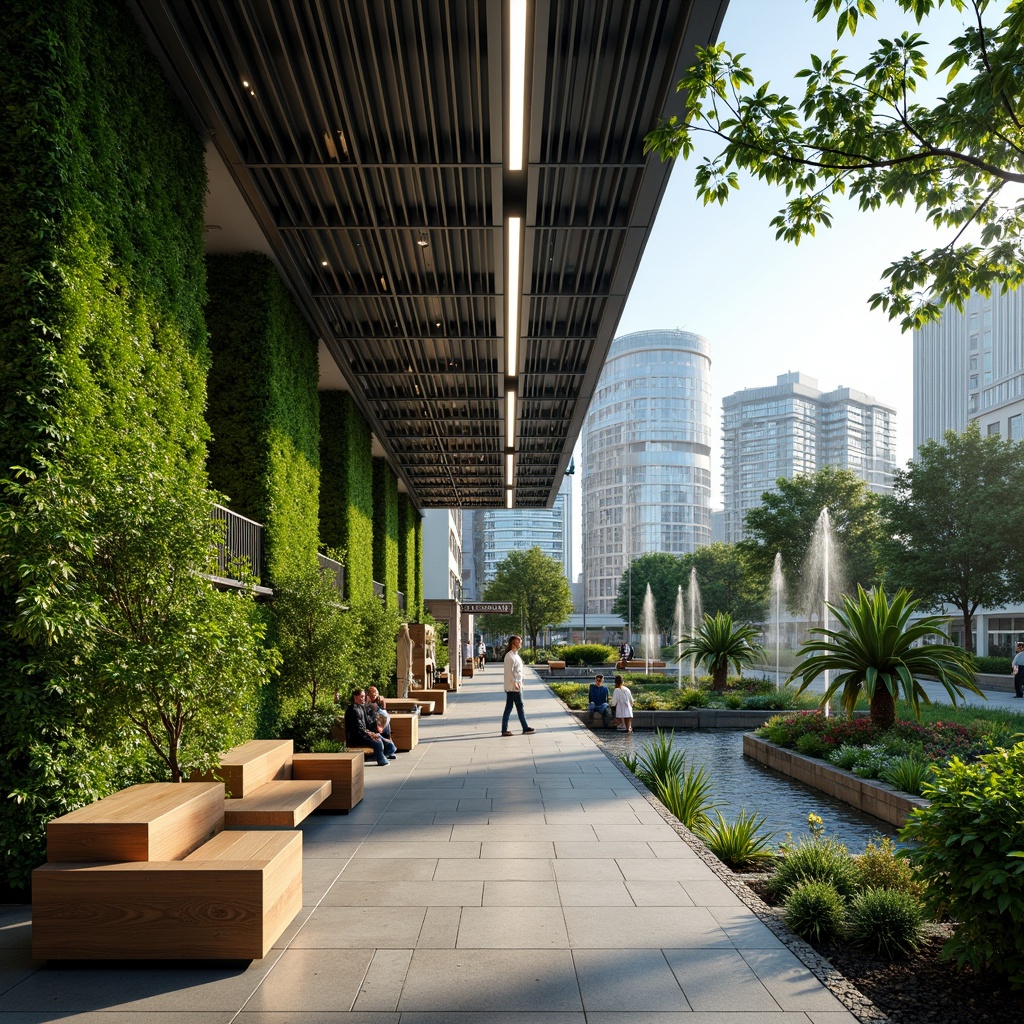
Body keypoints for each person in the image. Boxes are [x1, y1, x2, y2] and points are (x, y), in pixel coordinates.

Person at [345, 689, 397, 765]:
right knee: (377, 741)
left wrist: (375, 731)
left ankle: (388, 752)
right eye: (361, 696)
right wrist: (370, 734)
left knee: (380, 736)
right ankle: (381, 759)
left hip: (363, 735)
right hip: (356, 737)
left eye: (364, 696)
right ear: (355, 697)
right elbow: (358, 727)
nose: (363, 698)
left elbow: (367, 723)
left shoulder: (362, 707)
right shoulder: (352, 710)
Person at [501, 634, 535, 736]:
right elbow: (509, 672)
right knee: (519, 706)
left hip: (517, 685)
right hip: (513, 687)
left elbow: (519, 671)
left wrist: (521, 680)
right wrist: (514, 682)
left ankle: (505, 729)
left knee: (509, 707)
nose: (520, 643)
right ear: (513, 643)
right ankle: (524, 727)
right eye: (519, 641)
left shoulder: (516, 655)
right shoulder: (509, 656)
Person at [395, 623, 413, 698]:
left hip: (405, 671)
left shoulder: (407, 641)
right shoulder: (401, 640)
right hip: (402, 671)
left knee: (404, 691)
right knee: (402, 691)